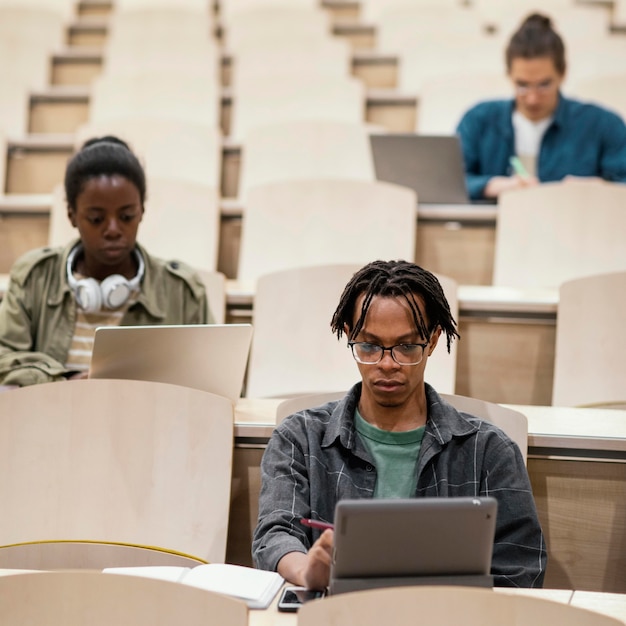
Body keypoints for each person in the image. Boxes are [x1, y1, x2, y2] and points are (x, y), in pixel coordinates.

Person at [252, 260, 546, 589]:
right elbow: (275, 534)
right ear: (349, 337)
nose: (387, 364)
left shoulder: (490, 450)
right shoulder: (300, 437)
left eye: (406, 347)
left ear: (433, 341)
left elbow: (520, 567)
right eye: (370, 346)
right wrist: (308, 570)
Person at [0, 136, 210, 387]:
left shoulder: (181, 291)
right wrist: (66, 381)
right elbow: (4, 359)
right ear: (72, 216)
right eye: (97, 218)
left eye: (126, 216)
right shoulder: (34, 277)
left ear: (142, 211)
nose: (113, 229)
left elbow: (216, 380)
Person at [457, 13, 626, 200]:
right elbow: (449, 181)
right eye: (522, 85)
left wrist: (602, 189)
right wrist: (490, 186)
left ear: (563, 73)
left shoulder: (603, 125)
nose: (532, 99)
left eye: (544, 85)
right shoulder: (479, 120)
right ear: (509, 75)